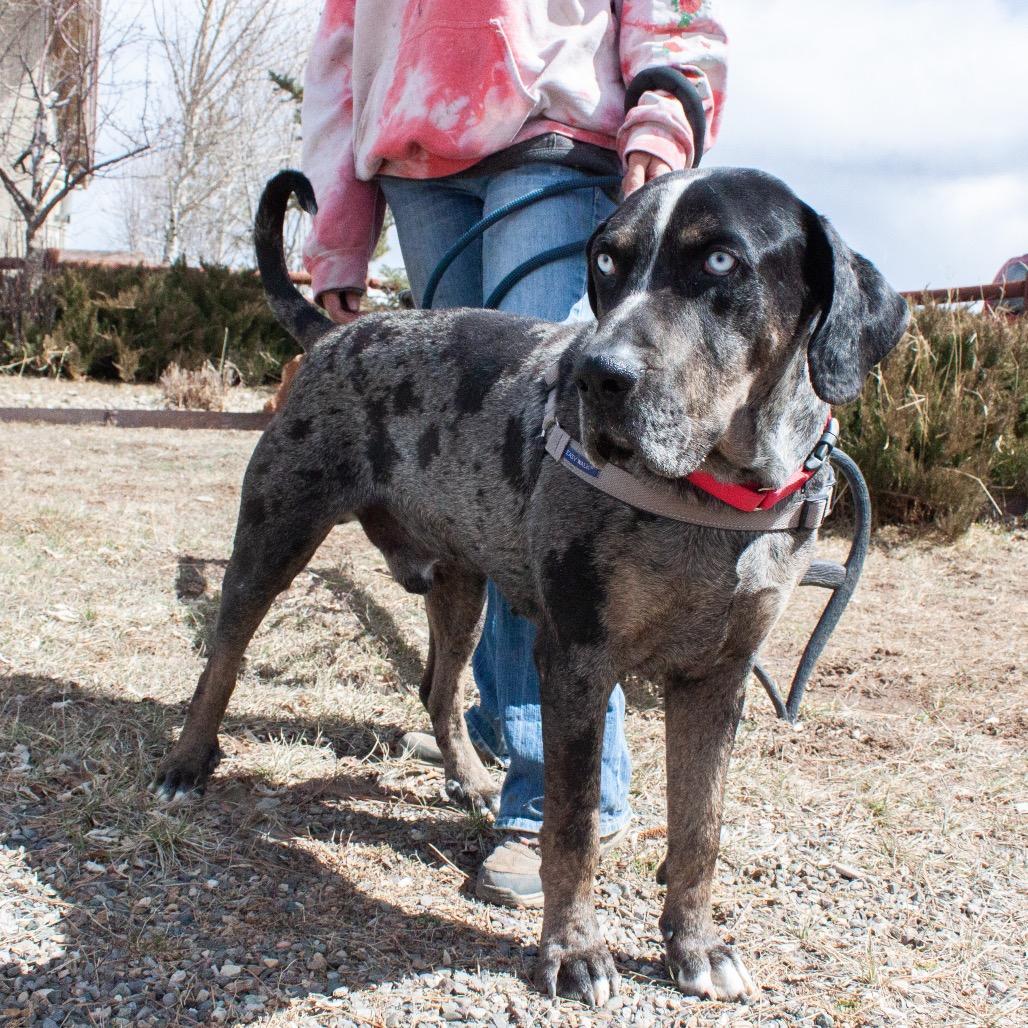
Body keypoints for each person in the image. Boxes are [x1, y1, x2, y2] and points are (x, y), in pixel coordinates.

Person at [300, 0, 727, 907]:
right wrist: (339, 230)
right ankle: (505, 725)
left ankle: (553, 796)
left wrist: (667, 103)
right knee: (478, 484)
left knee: (554, 466)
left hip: (558, 135)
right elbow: (343, 49)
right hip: (417, 160)